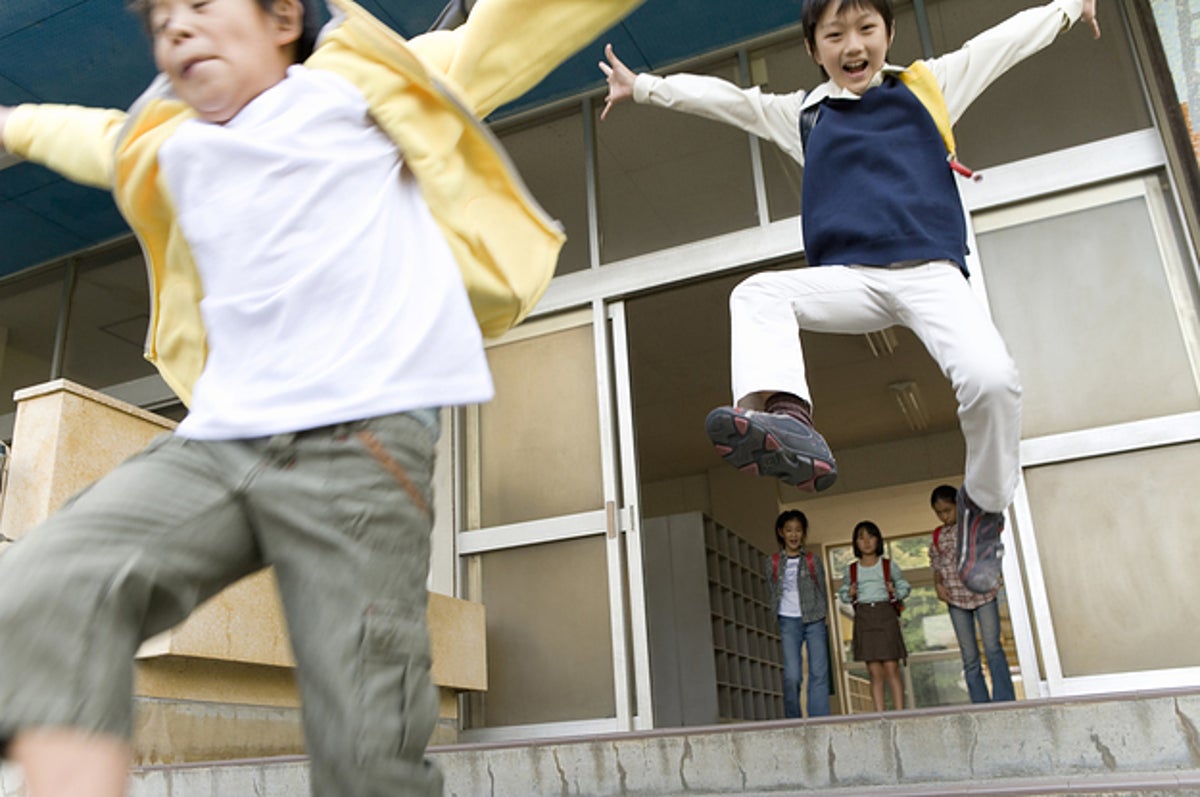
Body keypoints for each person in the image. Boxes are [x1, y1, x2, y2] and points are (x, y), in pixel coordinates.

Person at [0, 0, 640, 794]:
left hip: (358, 446)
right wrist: (10, 123)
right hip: (220, 443)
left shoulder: (357, 86)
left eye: (200, 5)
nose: (176, 28)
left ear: (280, 18)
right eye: (159, 18)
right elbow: (88, 137)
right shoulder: (172, 144)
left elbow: (506, 30)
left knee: (365, 749)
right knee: (46, 588)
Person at [599, 0, 1102, 596]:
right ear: (814, 49)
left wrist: (1071, 6)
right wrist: (645, 86)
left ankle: (983, 511)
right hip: (851, 279)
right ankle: (787, 420)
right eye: (835, 35)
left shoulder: (928, 86)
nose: (852, 46)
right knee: (757, 292)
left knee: (993, 380)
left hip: (932, 274)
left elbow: (1003, 42)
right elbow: (724, 101)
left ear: (888, 33)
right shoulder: (804, 114)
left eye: (866, 29)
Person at [928, 483, 1016, 704]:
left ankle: (1004, 699)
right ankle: (980, 703)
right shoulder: (938, 536)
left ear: (958, 505)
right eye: (939, 513)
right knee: (969, 655)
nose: (944, 516)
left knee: (992, 646)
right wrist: (938, 585)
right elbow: (935, 565)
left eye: (947, 510)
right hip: (955, 598)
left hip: (983, 594)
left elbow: (991, 550)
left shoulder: (974, 527)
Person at [765, 509, 831, 718]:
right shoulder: (773, 562)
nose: (794, 535)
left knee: (819, 672)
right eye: (789, 530)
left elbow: (822, 587)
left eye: (798, 530)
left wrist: (823, 614)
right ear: (781, 532)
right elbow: (772, 589)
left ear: (803, 533)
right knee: (792, 675)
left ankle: (819, 720)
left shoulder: (813, 560)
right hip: (787, 620)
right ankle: (793, 720)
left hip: (814, 619)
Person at [838, 520, 909, 711]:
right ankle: (880, 715)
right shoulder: (851, 569)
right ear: (855, 543)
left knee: (891, 667)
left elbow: (904, 586)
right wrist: (850, 593)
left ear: (878, 539)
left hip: (885, 614)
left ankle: (901, 713)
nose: (867, 541)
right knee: (874, 671)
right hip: (863, 617)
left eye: (871, 536)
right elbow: (843, 593)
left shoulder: (888, 565)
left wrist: (895, 590)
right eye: (861, 538)